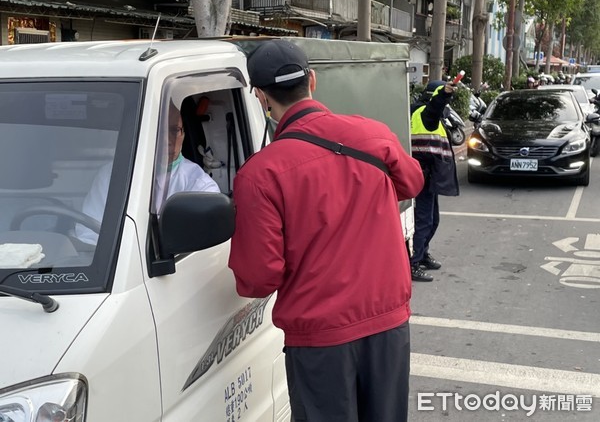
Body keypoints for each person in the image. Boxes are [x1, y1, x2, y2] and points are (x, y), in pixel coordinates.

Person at [228, 40, 424, 422]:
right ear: (312, 81)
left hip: (319, 340)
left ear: (260, 96)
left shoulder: (258, 175)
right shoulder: (374, 135)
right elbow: (412, 182)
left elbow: (259, 278)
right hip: (387, 323)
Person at [76, 99, 220, 244]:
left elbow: (199, 246)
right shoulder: (111, 176)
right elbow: (88, 235)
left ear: (183, 135)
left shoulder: (201, 188)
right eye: (158, 130)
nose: (167, 140)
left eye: (174, 130)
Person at [410, 80, 459, 282]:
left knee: (433, 220)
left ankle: (422, 254)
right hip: (422, 174)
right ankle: (413, 263)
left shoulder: (424, 111)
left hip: (431, 175)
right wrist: (444, 95)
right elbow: (433, 111)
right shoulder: (424, 112)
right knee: (424, 221)